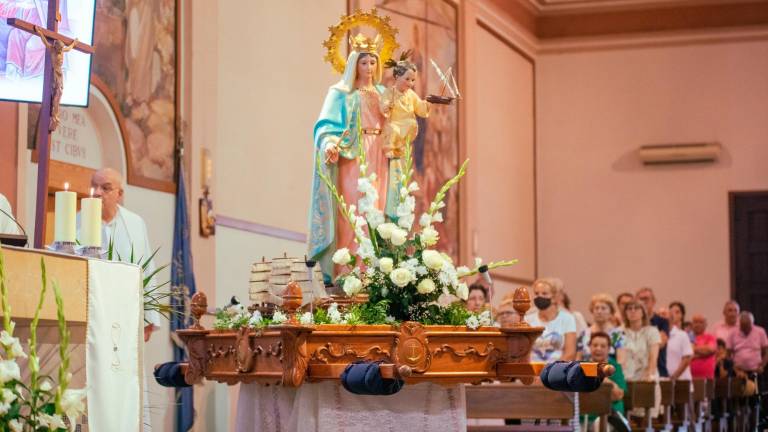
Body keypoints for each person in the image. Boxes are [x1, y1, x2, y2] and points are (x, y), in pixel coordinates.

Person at [309, 33, 391, 281]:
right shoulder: (340, 92)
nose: (369, 68)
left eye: (373, 62)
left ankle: (374, 270)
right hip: (352, 156)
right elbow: (325, 126)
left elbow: (401, 115)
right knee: (352, 209)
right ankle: (348, 271)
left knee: (377, 209)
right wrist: (329, 144)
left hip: (379, 153)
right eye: (364, 62)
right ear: (354, 63)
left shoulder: (384, 93)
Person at [77, 168, 160, 341]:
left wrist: (149, 318)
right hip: (88, 313)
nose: (98, 193)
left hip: (126, 314)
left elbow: (147, 271)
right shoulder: (76, 221)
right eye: (94, 187)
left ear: (119, 194)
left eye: (106, 188)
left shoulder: (135, 224)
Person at [526, 277, 577, 363]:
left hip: (557, 371)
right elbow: (524, 351)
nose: (539, 297)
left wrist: (551, 371)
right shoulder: (528, 319)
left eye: (544, 293)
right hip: (532, 371)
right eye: (536, 293)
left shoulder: (568, 319)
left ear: (554, 297)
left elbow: (570, 353)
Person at [577, 293, 625, 365]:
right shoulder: (584, 334)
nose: (599, 311)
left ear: (611, 312)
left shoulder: (617, 334)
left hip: (610, 373)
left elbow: (620, 360)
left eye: (603, 308)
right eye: (596, 308)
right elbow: (578, 359)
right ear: (592, 311)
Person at [587, 332, 627, 418]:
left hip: (610, 414)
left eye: (603, 346)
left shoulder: (615, 367)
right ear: (589, 347)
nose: (598, 349)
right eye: (595, 345)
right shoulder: (582, 366)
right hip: (585, 415)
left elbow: (619, 395)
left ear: (609, 349)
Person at [621, 299, 661, 381]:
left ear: (643, 312)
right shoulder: (618, 333)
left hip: (647, 376)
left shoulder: (653, 331)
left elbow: (653, 357)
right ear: (625, 313)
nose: (633, 311)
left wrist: (649, 376)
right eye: (629, 309)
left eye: (636, 308)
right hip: (627, 377)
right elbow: (620, 358)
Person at [636, 287, 669, 377]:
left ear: (653, 301)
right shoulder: (629, 324)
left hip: (658, 371)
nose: (643, 302)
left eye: (646, 299)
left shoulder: (662, 321)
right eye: (640, 299)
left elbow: (660, 343)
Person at [727, 311, 768, 377]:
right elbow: (728, 354)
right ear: (740, 324)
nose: (746, 329)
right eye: (743, 327)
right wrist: (735, 369)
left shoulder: (760, 332)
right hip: (738, 372)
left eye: (748, 326)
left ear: (752, 323)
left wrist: (762, 366)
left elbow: (766, 352)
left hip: (756, 371)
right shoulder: (733, 333)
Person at [665, 301, 693, 382]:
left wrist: (674, 377)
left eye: (677, 312)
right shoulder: (659, 335)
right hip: (665, 380)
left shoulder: (682, 334)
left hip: (681, 380)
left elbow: (687, 358)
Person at [690, 314, 717, 379]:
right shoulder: (686, 337)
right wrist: (704, 352)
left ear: (705, 324)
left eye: (701, 322)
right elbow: (683, 354)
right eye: (695, 322)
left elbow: (710, 350)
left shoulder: (710, 337)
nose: (698, 324)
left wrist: (693, 349)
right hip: (689, 378)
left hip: (707, 377)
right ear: (692, 324)